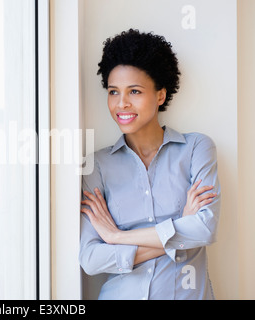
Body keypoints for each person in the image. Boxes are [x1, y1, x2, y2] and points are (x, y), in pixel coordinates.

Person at [79, 29, 221, 300]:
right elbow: (91, 259)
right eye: (113, 92)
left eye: (134, 91)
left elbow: (204, 229)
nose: (121, 103)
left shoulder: (196, 149)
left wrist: (117, 237)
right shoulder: (96, 165)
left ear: (160, 95)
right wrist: (180, 228)